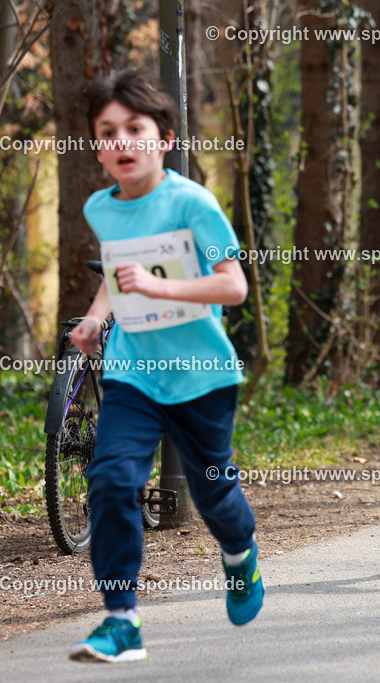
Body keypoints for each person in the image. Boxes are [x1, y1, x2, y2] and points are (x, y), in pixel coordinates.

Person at [67, 69, 263, 662]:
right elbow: (118, 271)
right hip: (133, 373)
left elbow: (233, 286)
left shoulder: (191, 203)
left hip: (201, 374)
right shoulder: (100, 208)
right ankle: (122, 620)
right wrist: (96, 317)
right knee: (111, 480)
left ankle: (240, 554)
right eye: (108, 132)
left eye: (135, 129)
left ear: (165, 139)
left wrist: (158, 288)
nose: (122, 142)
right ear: (97, 148)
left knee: (213, 493)